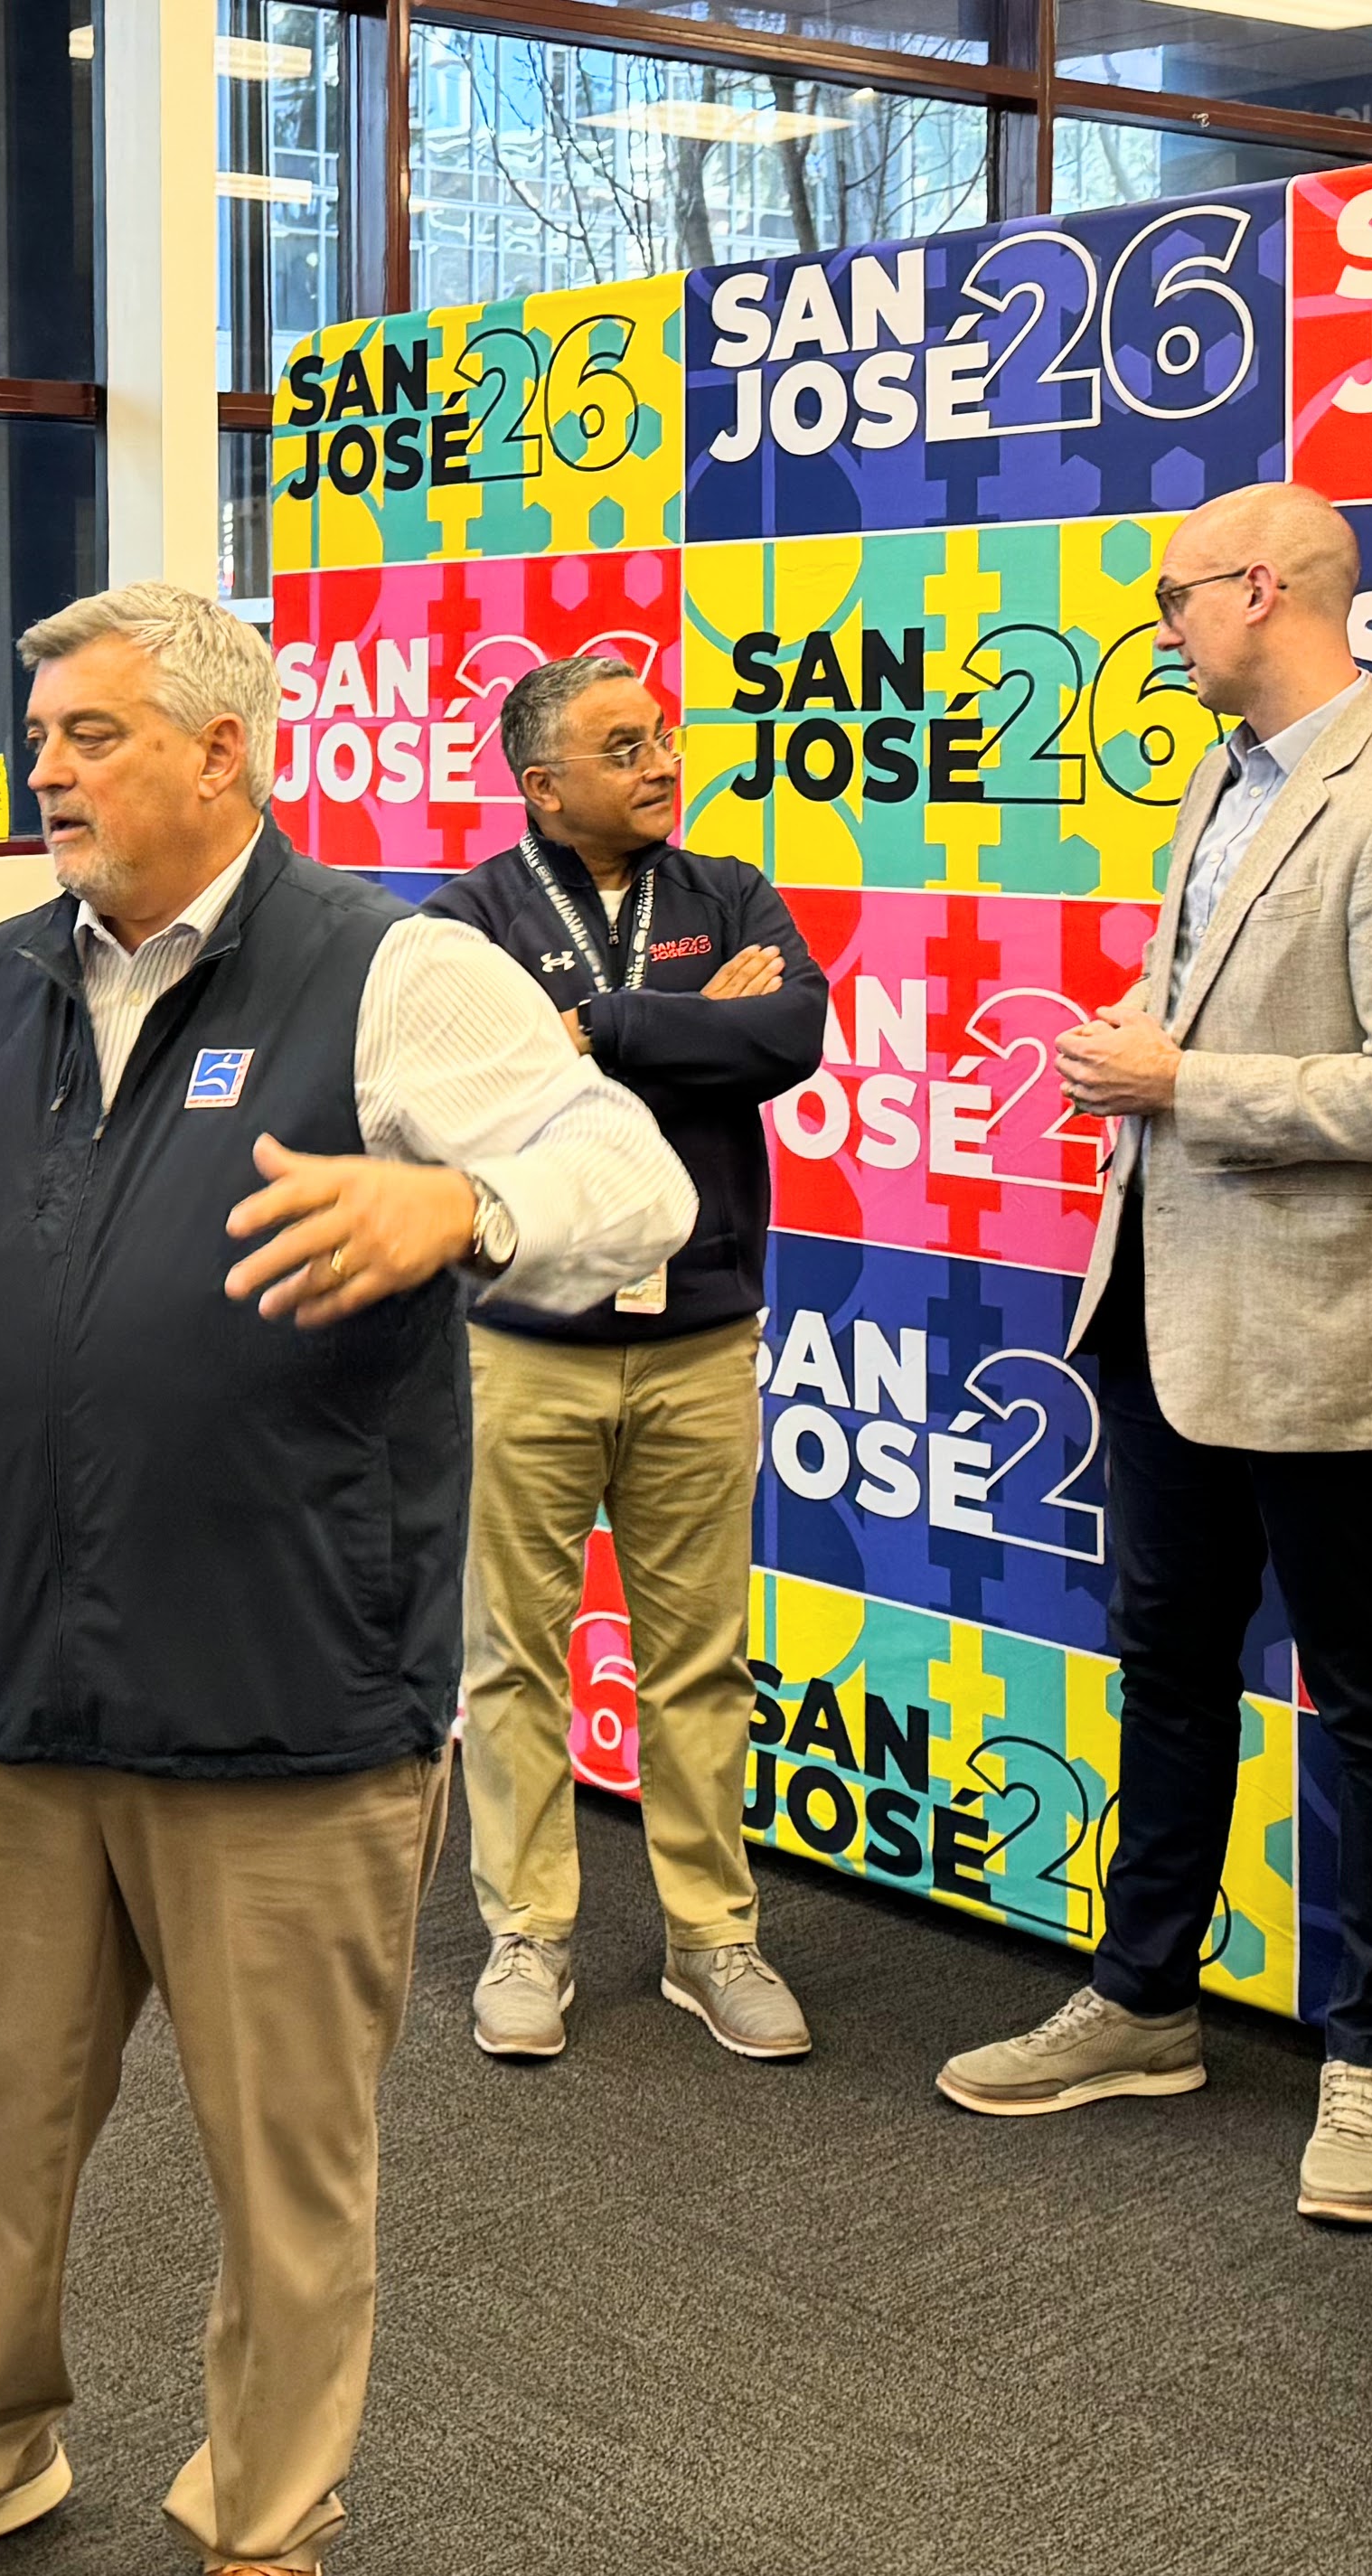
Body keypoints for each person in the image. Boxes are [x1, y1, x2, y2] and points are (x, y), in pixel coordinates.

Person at [0, 583, 692, 2576]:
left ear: (224, 757)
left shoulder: (397, 972)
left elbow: (624, 1176)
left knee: (288, 2157)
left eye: (92, 733)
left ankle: (265, 2531)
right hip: (15, 1681)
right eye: (42, 731)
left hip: (288, 1695)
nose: (51, 770)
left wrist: (457, 1216)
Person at [934, 482, 1372, 2227]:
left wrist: (1187, 1084)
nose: (1162, 627)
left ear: (1266, 587)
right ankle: (1144, 1999)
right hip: (1168, 1315)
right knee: (1167, 1661)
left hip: (1330, 1336)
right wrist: (1160, 1053)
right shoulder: (1225, 781)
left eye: (1177, 597)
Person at [421, 649, 827, 2065]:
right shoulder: (467, 919)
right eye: (624, 744)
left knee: (698, 1657)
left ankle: (714, 1936)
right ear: (543, 784)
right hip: (527, 1340)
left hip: (702, 1333)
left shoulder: (725, 890)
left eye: (662, 735)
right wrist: (697, 1020)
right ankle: (526, 1931)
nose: (664, 759)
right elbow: (474, 1095)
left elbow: (792, 1032)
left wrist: (605, 1026)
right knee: (516, 1655)